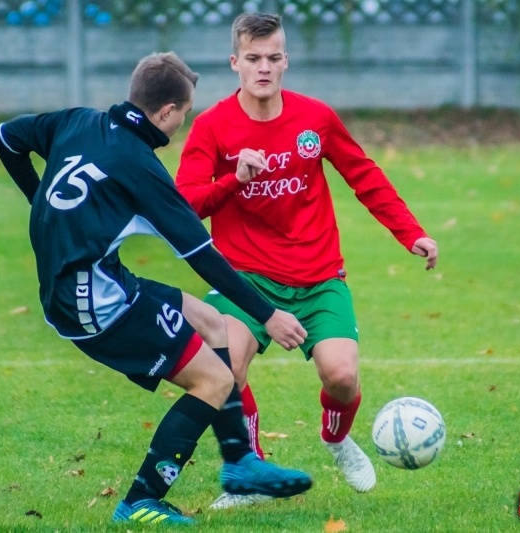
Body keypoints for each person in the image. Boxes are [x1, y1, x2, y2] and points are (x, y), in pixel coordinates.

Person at [0, 51, 313, 526]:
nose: (183, 122)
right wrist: (268, 315)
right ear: (164, 113)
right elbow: (205, 258)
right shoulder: (140, 167)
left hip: (95, 279)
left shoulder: (78, 121)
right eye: (184, 113)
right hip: (94, 306)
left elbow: (5, 138)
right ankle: (139, 500)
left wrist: (39, 199)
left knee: (212, 321)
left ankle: (240, 462)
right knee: (215, 380)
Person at [175, 13, 439, 509]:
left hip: (318, 276)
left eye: (274, 57)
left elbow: (365, 177)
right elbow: (185, 205)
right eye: (253, 58)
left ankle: (336, 439)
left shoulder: (315, 118)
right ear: (235, 63)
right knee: (226, 367)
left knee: (341, 376)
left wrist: (412, 233)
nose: (264, 68)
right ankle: (251, 472)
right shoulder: (212, 127)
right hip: (244, 279)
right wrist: (236, 180)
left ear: (286, 61)